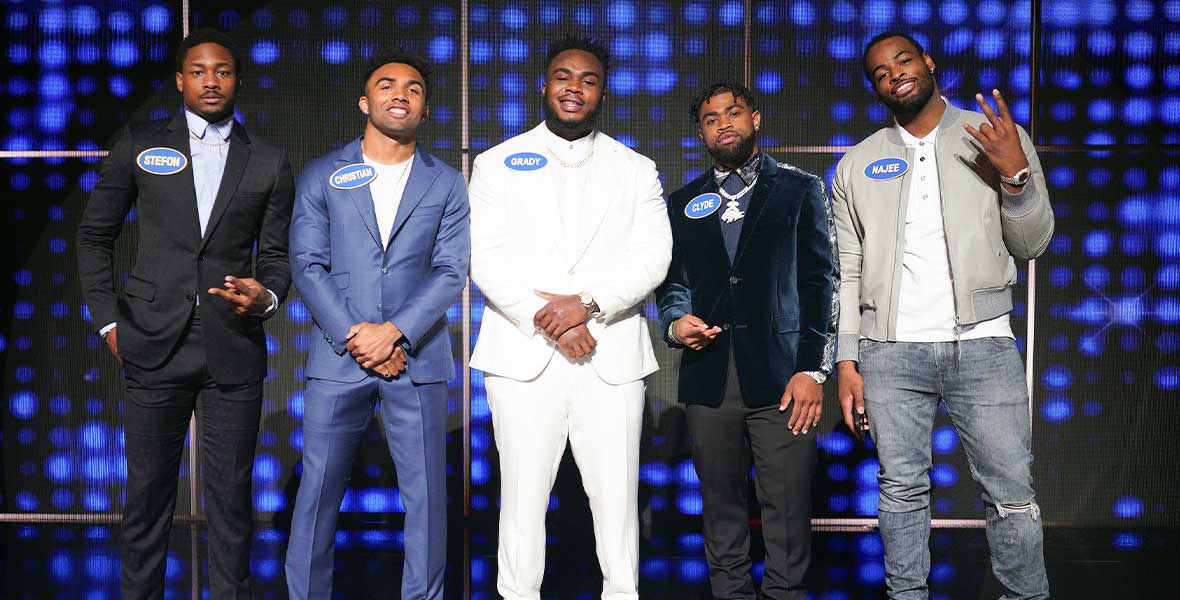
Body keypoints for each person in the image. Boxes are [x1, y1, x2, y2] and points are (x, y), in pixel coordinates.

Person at [833, 32, 1054, 599]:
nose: (894, 75)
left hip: (982, 344)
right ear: (875, 88)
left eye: (903, 61)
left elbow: (1032, 243)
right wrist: (847, 360)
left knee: (1010, 494)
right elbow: (847, 273)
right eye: (880, 72)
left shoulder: (996, 138)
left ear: (928, 64)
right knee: (901, 492)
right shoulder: (857, 164)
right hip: (890, 351)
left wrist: (1016, 176)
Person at [76, 28, 293, 599]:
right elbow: (93, 237)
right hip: (151, 341)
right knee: (147, 497)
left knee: (230, 502)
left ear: (238, 80)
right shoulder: (140, 143)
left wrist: (266, 297)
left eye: (222, 70)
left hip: (233, 345)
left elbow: (275, 256)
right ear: (180, 81)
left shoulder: (268, 160)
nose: (211, 81)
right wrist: (108, 320)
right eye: (198, 71)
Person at [468, 36, 672, 600]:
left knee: (616, 502)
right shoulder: (496, 162)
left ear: (602, 91)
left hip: (610, 355)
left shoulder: (636, 168)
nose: (573, 88)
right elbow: (484, 257)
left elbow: (653, 255)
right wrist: (549, 318)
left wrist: (584, 306)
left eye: (587, 79)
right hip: (522, 356)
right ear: (543, 84)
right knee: (522, 500)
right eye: (563, 76)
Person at [283, 49, 469, 600]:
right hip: (339, 358)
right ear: (365, 102)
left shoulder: (447, 182)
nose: (400, 95)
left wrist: (395, 332)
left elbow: (451, 268)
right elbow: (307, 264)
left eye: (413, 89)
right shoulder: (324, 173)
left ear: (425, 109)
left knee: (427, 500)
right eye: (387, 86)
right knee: (316, 494)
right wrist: (357, 335)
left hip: (418, 357)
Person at [656, 82, 838, 600]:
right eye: (711, 119)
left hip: (784, 377)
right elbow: (673, 284)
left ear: (755, 118)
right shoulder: (683, 201)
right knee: (720, 507)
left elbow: (821, 283)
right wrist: (675, 323)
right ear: (701, 132)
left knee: (786, 508)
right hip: (708, 377)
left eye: (732, 113)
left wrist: (812, 369)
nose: (723, 123)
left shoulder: (800, 189)